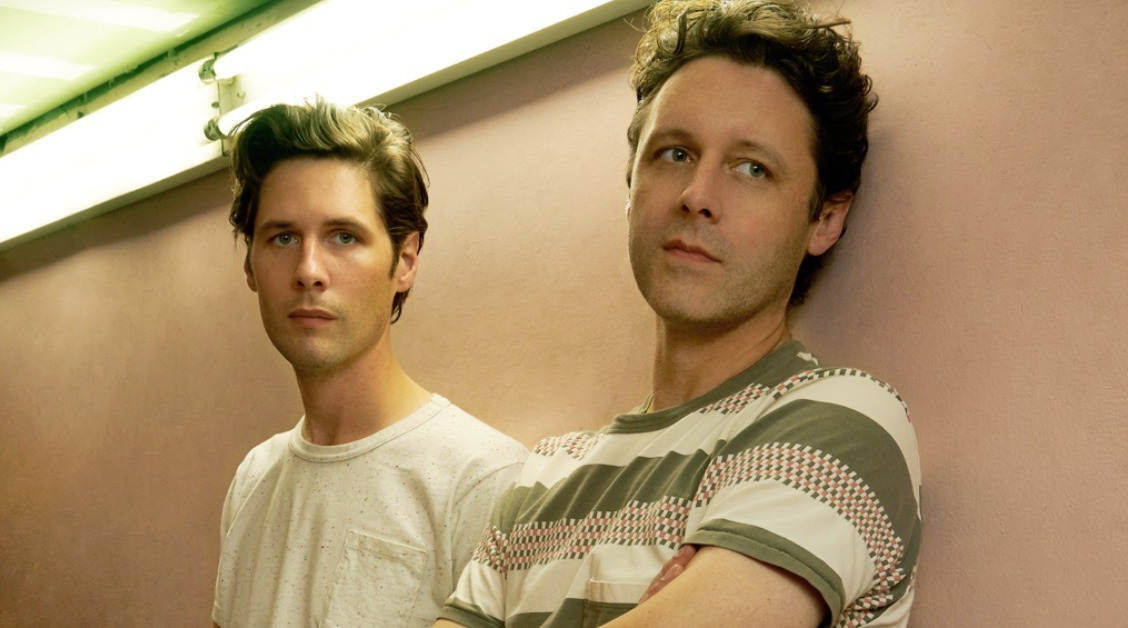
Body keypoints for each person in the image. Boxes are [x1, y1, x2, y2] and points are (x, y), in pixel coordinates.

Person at [437, 0, 922, 626]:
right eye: (675, 154)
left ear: (825, 218)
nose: (697, 196)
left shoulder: (844, 425)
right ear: (631, 185)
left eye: (753, 168)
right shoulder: (542, 478)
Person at [212, 99, 527, 628]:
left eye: (344, 237)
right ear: (250, 265)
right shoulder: (253, 479)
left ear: (405, 260)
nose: (309, 270)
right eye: (283, 237)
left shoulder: (485, 481)